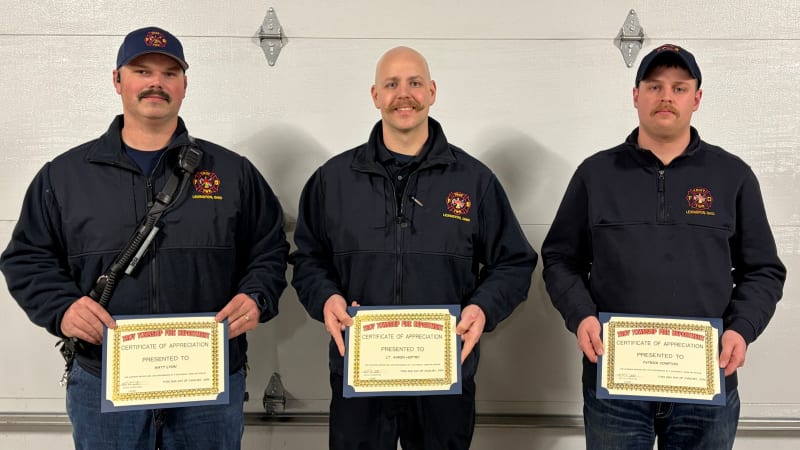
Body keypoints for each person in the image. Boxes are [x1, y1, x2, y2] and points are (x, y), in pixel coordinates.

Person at [0, 26, 289, 449]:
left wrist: (257, 296)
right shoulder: (64, 177)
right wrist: (61, 308)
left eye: (170, 73)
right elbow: (26, 258)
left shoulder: (232, 173)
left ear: (184, 85)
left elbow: (269, 250)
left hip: (206, 387)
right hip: (102, 382)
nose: (156, 82)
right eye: (142, 70)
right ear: (117, 80)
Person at [290, 46, 537, 449]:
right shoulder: (332, 181)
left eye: (415, 83)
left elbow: (514, 262)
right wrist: (325, 297)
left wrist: (484, 307)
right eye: (391, 84)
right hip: (360, 374)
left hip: (444, 375)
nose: (403, 94)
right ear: (375, 96)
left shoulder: (475, 181)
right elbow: (307, 260)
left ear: (432, 91)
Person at [541, 43, 786, 449]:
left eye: (679, 87)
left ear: (697, 98)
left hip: (707, 384)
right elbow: (559, 259)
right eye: (654, 87)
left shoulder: (733, 176)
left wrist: (742, 329)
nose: (666, 97)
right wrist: (581, 315)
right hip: (615, 385)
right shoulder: (595, 174)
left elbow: (763, 270)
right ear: (636, 96)